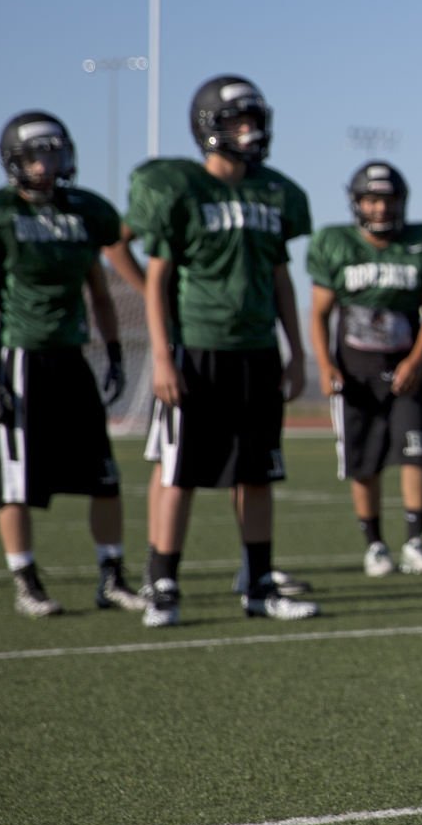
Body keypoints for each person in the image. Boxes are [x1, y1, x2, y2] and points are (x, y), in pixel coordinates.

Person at [125, 75, 317, 627]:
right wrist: (162, 356)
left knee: (257, 473)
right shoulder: (182, 189)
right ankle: (163, 581)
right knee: (179, 471)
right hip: (198, 349)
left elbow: (281, 278)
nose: (251, 131)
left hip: (256, 351)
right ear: (209, 127)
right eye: (239, 121)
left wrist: (296, 350)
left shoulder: (273, 192)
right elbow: (158, 281)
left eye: (255, 120)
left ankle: (258, 583)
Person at [0, 112, 144, 617]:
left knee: (104, 476)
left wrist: (115, 350)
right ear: (14, 161)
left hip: (71, 357)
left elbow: (99, 292)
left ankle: (113, 576)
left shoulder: (84, 214)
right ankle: (27, 581)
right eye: (36, 155)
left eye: (53, 154)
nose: (46, 165)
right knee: (15, 480)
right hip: (20, 359)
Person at [307, 161, 422, 577]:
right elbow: (319, 314)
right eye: (371, 200)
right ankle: (374, 545)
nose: (380, 209)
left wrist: (416, 360)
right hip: (355, 371)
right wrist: (325, 364)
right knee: (364, 461)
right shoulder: (335, 244)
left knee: (415, 455)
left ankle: (414, 541)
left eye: (387, 200)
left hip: (405, 367)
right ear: (357, 203)